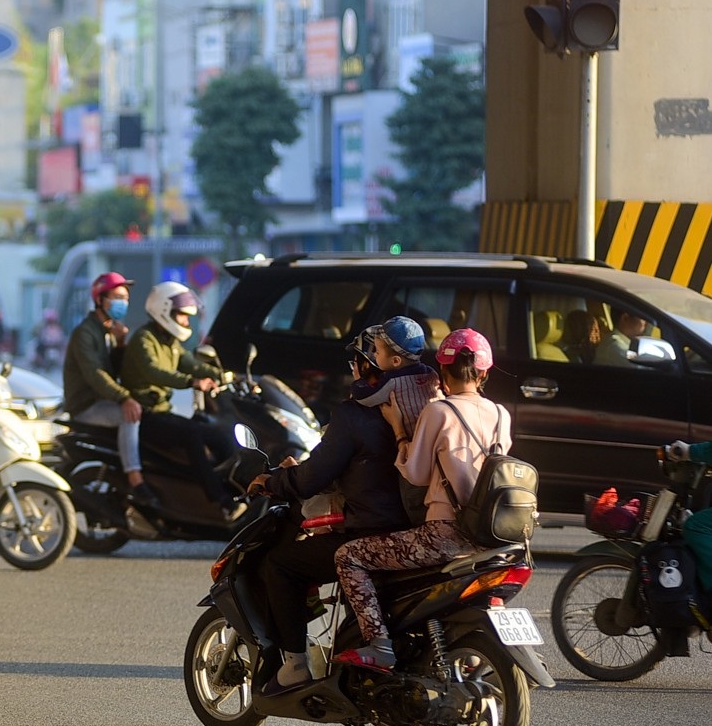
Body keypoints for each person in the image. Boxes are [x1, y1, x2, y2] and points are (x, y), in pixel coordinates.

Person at [245, 326, 412, 693]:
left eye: (357, 360)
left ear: (370, 364)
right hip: (415, 530)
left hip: (369, 530)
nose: (352, 368)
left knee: (281, 564)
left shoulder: (356, 415)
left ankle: (294, 665)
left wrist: (273, 481)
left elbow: (310, 479)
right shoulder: (424, 406)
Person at [333, 328, 512, 668]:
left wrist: (399, 430)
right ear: (484, 372)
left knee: (349, 556)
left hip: (445, 535)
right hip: (490, 538)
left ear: (442, 371)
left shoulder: (439, 411)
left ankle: (379, 644)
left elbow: (414, 473)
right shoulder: (501, 414)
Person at [120, 281, 232, 515]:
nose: (185, 321)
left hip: (162, 411)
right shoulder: (144, 339)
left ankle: (235, 488)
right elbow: (154, 372)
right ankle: (219, 500)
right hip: (145, 415)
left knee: (216, 433)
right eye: (181, 315)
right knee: (191, 434)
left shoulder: (170, 341)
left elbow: (189, 363)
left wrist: (222, 375)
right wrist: (191, 382)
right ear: (164, 311)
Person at [61, 272, 141, 438]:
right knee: (130, 416)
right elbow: (95, 373)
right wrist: (124, 398)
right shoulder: (85, 333)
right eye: (118, 297)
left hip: (103, 400)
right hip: (85, 405)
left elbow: (115, 371)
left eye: (126, 298)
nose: (123, 303)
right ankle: (132, 465)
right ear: (99, 300)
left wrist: (120, 344)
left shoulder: (110, 331)